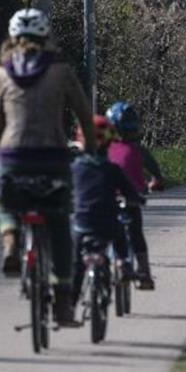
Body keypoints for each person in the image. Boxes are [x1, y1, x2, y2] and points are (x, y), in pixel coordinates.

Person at [0, 8, 95, 326]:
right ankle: (62, 304)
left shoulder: (0, 74)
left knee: (7, 198)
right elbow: (84, 113)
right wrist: (89, 147)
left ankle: (9, 241)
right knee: (60, 223)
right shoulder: (61, 71)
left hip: (13, 156)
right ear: (46, 36)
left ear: (12, 38)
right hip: (52, 157)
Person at [70, 116, 145, 313]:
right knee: (120, 234)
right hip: (108, 224)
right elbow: (130, 192)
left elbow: (65, 190)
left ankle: (70, 303)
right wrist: (138, 199)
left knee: (77, 265)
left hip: (82, 225)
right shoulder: (113, 169)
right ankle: (122, 262)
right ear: (110, 142)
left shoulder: (75, 168)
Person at [105, 101, 164, 291]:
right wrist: (156, 181)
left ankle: (114, 264)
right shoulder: (139, 150)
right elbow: (155, 171)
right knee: (136, 233)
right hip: (131, 200)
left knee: (107, 232)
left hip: (108, 200)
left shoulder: (104, 150)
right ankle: (144, 272)